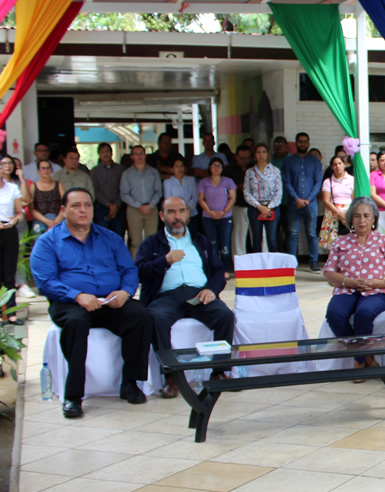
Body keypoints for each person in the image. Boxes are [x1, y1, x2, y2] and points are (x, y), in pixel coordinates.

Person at [30, 188, 152, 418]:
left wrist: (126, 292)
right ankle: (74, 396)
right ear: (63, 210)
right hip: (69, 302)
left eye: (87, 205)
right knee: (76, 323)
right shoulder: (48, 243)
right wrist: (76, 295)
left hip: (109, 300)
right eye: (76, 205)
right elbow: (45, 282)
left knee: (141, 315)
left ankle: (130, 383)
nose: (83, 210)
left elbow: (128, 270)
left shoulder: (110, 238)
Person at [135, 197, 234, 398]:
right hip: (166, 296)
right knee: (156, 317)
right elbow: (139, 272)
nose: (177, 217)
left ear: (188, 214)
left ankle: (219, 371)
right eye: (171, 212)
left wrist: (212, 290)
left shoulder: (200, 240)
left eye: (181, 211)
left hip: (199, 294)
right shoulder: (152, 243)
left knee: (225, 315)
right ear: (162, 216)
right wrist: (164, 261)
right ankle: (171, 378)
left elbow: (217, 271)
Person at [322, 196, 385, 367]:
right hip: (346, 290)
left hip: (377, 291)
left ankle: (358, 362)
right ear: (351, 218)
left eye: (366, 215)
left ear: (374, 218)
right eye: (357, 216)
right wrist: (348, 281)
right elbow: (328, 272)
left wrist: (381, 283)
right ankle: (365, 357)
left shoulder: (384, 241)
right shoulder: (340, 242)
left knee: (364, 313)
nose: (362, 220)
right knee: (334, 314)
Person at [281, 132, 323, 271]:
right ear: (296, 143)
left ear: (308, 144)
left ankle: (314, 262)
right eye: (300, 141)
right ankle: (291, 263)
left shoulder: (315, 162)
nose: (302, 144)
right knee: (292, 234)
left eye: (305, 141)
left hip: (311, 204)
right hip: (293, 203)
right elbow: (286, 182)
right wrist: (297, 199)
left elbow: (318, 183)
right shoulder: (288, 161)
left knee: (311, 233)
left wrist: (308, 199)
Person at [120, 146, 163, 259]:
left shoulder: (154, 172)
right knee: (135, 241)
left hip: (151, 208)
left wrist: (151, 205)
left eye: (141, 153)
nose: (139, 156)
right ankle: (137, 268)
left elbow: (158, 192)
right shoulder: (127, 174)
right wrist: (139, 206)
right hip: (134, 209)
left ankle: (152, 266)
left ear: (145, 155)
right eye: (136, 154)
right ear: (132, 156)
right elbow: (124, 194)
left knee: (152, 239)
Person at [197, 158, 237, 270]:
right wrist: (209, 211)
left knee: (225, 245)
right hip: (208, 218)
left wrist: (224, 211)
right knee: (212, 244)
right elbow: (201, 199)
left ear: (222, 168)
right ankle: (213, 269)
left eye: (219, 166)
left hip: (225, 217)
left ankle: (225, 270)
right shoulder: (203, 182)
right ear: (209, 167)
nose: (216, 168)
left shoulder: (228, 181)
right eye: (214, 166)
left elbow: (232, 198)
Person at [244, 144, 283, 253]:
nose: (261, 154)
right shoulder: (250, 172)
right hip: (255, 207)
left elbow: (279, 192)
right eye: (258, 152)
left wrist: (268, 207)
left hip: (272, 207)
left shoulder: (275, 170)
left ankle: (273, 265)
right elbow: (246, 191)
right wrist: (259, 206)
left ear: (268, 154)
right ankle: (258, 266)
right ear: (255, 155)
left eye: (264, 152)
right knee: (256, 239)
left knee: (272, 238)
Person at [0, 156, 25, 324]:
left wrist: (15, 220)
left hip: (9, 231)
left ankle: (11, 313)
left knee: (9, 275)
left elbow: (19, 212)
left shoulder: (12, 187)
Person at [90, 143, 126, 239]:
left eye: (107, 151)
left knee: (118, 236)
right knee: (103, 237)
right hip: (101, 208)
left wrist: (116, 205)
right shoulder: (94, 171)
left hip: (119, 208)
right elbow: (95, 190)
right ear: (99, 154)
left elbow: (124, 189)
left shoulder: (121, 169)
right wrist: (108, 205)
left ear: (111, 152)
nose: (105, 154)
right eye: (102, 152)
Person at [227, 145, 253, 256]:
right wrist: (238, 186)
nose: (244, 161)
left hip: (254, 205)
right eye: (242, 158)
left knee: (259, 234)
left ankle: (260, 260)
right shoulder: (229, 170)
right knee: (238, 235)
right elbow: (227, 187)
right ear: (236, 157)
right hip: (237, 205)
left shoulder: (254, 168)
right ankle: (239, 261)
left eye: (247, 158)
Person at [321, 156, 355, 239]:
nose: (338, 166)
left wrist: (346, 215)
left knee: (350, 242)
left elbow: (354, 199)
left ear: (344, 165)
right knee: (333, 243)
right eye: (335, 164)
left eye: (340, 163)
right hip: (333, 212)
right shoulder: (327, 182)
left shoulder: (351, 179)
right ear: (332, 167)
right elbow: (326, 201)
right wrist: (339, 214)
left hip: (349, 212)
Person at [164, 157, 200, 234]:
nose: (179, 168)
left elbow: (194, 197)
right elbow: (168, 200)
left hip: (192, 214)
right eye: (176, 166)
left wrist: (187, 212)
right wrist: (181, 213)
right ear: (171, 169)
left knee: (193, 238)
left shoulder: (191, 180)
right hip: (175, 216)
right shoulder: (167, 182)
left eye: (181, 166)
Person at [29, 160, 65, 234]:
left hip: (57, 219)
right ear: (38, 171)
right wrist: (47, 221)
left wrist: (55, 222)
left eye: (48, 168)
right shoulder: (33, 186)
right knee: (39, 242)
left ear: (51, 170)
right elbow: (31, 209)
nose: (46, 170)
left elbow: (65, 204)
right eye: (43, 168)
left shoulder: (59, 185)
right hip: (40, 220)